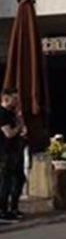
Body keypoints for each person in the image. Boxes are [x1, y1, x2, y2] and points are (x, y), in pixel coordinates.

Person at [0, 88, 27, 222]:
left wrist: (20, 121)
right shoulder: (2, 114)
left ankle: (13, 208)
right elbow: (8, 133)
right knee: (6, 181)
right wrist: (18, 127)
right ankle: (2, 211)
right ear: (5, 98)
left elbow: (20, 130)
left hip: (15, 151)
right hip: (5, 152)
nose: (16, 102)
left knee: (19, 178)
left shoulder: (12, 114)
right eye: (14, 99)